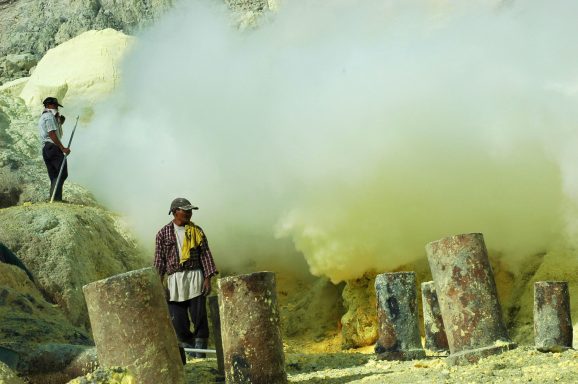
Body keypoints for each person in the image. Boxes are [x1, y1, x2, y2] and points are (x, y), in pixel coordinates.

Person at [154, 197, 218, 359]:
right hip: (175, 281)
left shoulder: (197, 231)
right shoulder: (163, 234)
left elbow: (205, 254)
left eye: (190, 211)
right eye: (186, 210)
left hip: (195, 276)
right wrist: (159, 283)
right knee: (178, 321)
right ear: (175, 212)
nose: (189, 213)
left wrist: (207, 279)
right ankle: (189, 350)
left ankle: (200, 354)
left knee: (199, 317)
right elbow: (159, 260)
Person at [38, 97, 70, 201]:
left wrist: (60, 122)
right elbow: (52, 133)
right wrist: (62, 148)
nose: (57, 108)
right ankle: (56, 198)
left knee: (54, 174)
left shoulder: (46, 116)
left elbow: (53, 129)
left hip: (47, 148)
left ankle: (54, 198)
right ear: (49, 105)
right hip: (53, 147)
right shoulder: (48, 116)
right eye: (55, 106)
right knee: (62, 172)